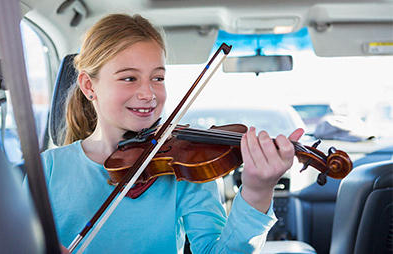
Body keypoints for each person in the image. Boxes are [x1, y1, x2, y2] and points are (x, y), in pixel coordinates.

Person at [40, 13, 304, 253]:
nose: (148, 93)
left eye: (158, 78)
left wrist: (257, 193)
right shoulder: (47, 168)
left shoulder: (183, 169)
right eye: (129, 78)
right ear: (89, 86)